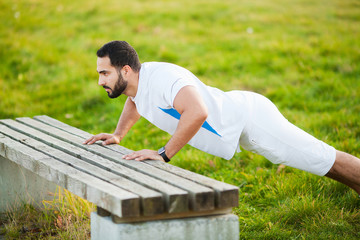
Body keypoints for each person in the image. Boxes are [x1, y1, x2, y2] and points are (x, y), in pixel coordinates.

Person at [83, 40, 360, 194]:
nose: (100, 81)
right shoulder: (138, 83)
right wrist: (119, 134)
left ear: (126, 70)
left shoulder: (164, 79)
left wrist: (163, 153)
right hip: (239, 122)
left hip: (250, 119)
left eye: (104, 73)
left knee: (319, 156)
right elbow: (135, 101)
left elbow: (197, 112)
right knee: (314, 160)